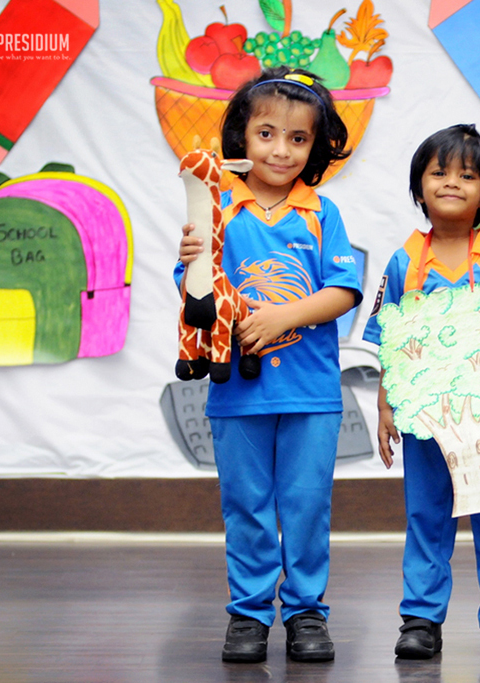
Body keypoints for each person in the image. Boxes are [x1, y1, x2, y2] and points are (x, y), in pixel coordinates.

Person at [174, 67, 362, 664]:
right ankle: (249, 615)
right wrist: (194, 260)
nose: (281, 149)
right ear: (241, 137)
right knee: (246, 505)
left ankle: (307, 612)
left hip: (311, 394)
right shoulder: (217, 208)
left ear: (317, 147)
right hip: (237, 396)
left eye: (298, 139)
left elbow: (344, 289)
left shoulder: (320, 212)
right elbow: (195, 297)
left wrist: (284, 318)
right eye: (266, 134)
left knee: (306, 505)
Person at [362, 124, 480, 661]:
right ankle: (420, 618)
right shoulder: (404, 263)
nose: (451, 183)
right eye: (439, 172)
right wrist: (385, 408)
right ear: (419, 188)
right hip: (424, 421)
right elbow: (390, 343)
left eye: (467, 175)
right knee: (427, 514)